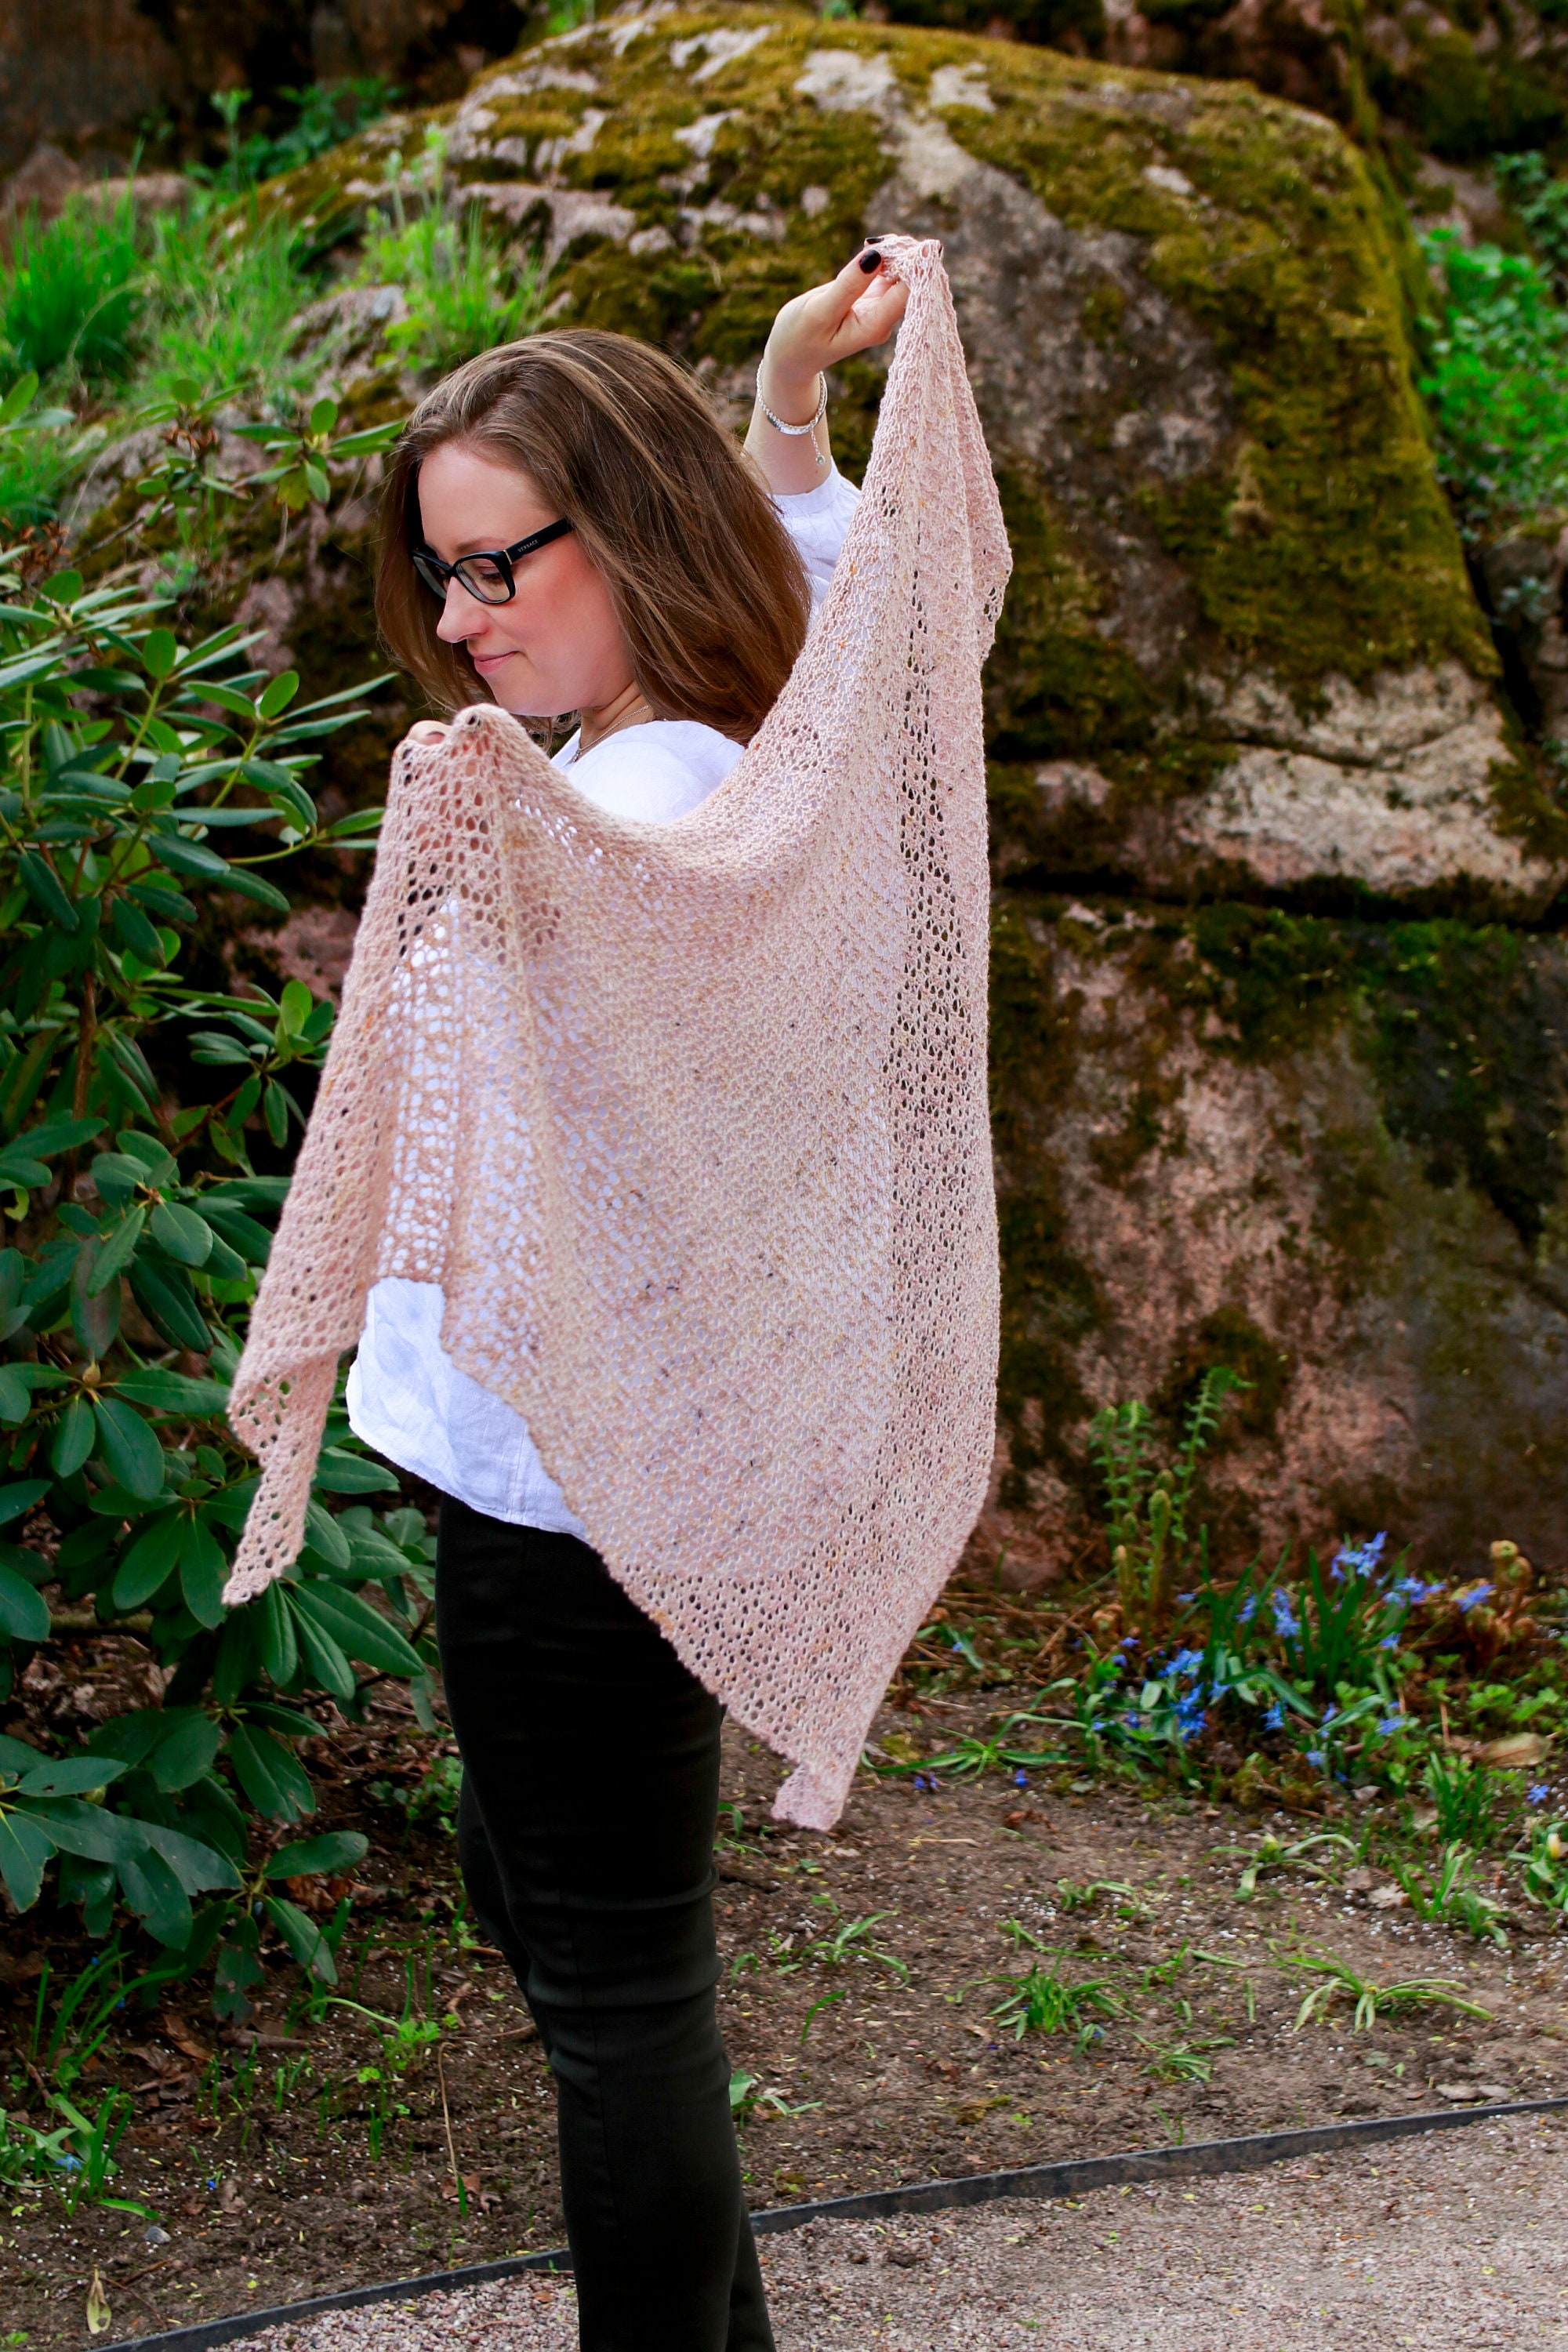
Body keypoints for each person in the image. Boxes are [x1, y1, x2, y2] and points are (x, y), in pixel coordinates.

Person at [347, 246, 910, 2352]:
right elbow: (834, 602)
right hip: (649, 1462)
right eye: (444, 575)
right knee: (558, 1909)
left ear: (631, 532)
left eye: (499, 567)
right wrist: (789, 404)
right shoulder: (740, 740)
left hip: (569, 1491)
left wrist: (479, 853)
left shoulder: (631, 811)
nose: (462, 621)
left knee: (617, 1999)